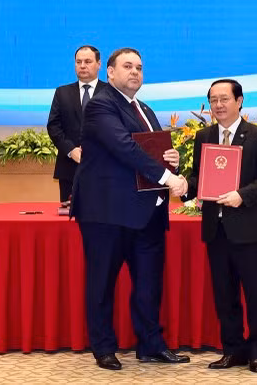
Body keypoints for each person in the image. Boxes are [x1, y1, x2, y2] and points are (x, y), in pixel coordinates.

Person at [74, 48, 190, 370]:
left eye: (139, 67)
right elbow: (125, 147)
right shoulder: (100, 105)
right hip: (107, 213)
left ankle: (150, 345)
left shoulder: (146, 109)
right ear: (109, 72)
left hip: (147, 212)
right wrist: (170, 178)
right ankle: (104, 348)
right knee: (102, 283)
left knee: (149, 284)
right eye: (127, 66)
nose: (135, 72)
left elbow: (151, 151)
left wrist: (171, 159)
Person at [184, 79, 257, 373]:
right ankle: (232, 350)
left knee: (254, 294)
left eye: (224, 99)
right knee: (224, 295)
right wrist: (180, 184)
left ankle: (256, 352)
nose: (218, 105)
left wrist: (242, 195)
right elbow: (199, 179)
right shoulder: (204, 135)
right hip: (217, 230)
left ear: (240, 101)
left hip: (249, 229)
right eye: (213, 100)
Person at [46, 45, 109, 202]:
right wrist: (70, 150)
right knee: (69, 221)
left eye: (88, 61)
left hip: (104, 169)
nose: (82, 66)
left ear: (99, 64)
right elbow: (53, 126)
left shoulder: (111, 92)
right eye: (78, 62)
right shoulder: (62, 92)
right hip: (69, 168)